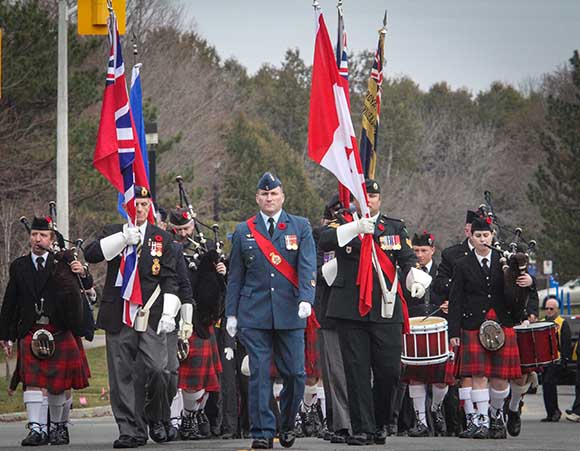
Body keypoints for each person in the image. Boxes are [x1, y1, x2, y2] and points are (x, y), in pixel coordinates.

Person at [319, 179, 429, 446]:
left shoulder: (393, 226)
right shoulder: (343, 220)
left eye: (372, 195)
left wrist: (415, 278)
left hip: (385, 307)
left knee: (389, 371)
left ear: (379, 199)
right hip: (350, 308)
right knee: (356, 371)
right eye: (363, 195)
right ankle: (361, 428)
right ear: (355, 198)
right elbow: (324, 240)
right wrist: (354, 227)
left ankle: (380, 422)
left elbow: (406, 257)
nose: (368, 199)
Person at [225, 172, 316, 449]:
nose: (269, 198)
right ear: (257, 198)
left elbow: (307, 265)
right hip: (254, 313)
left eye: (274, 193)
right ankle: (262, 432)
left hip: (290, 311)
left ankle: (287, 423)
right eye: (264, 194)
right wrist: (231, 313)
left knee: (296, 375)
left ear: (282, 197)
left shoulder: (299, 226)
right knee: (260, 374)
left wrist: (306, 298)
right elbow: (235, 276)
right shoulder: (244, 230)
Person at [84, 186, 180, 448]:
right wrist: (122, 240)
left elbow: (171, 279)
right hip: (120, 312)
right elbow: (91, 254)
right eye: (135, 204)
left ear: (150, 207)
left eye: (144, 204)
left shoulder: (162, 239)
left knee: (160, 371)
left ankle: (155, 415)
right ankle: (130, 430)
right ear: (126, 205)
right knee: (121, 375)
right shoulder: (113, 231)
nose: (139, 209)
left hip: (151, 313)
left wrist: (170, 311)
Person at [0, 216, 91, 446]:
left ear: (51, 239)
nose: (37, 239)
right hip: (31, 328)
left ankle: (58, 427)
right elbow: (10, 302)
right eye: (34, 235)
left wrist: (82, 272)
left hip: (58, 327)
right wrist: (5, 334)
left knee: (57, 383)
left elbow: (85, 287)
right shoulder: (19, 266)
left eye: (42, 235)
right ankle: (36, 429)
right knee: (32, 380)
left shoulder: (62, 262)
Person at [449, 216, 533, 439]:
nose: (482, 239)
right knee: (478, 374)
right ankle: (482, 422)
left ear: (492, 236)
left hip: (502, 322)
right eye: (478, 236)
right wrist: (453, 333)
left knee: (499, 379)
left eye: (486, 235)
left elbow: (521, 290)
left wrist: (529, 282)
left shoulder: (505, 261)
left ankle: (497, 416)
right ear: (471, 237)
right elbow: (455, 300)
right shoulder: (462, 264)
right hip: (473, 324)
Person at [168, 207, 226, 440]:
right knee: (180, 376)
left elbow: (218, 288)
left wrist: (222, 271)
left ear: (193, 224)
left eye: (187, 228)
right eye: (179, 229)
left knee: (200, 378)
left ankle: (194, 415)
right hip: (174, 317)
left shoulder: (206, 249)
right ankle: (182, 417)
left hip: (202, 320)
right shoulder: (167, 249)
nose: (184, 233)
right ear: (173, 229)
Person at [402, 231, 454, 438]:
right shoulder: (406, 272)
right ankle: (421, 422)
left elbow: (455, 293)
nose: (419, 255)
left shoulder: (443, 272)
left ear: (433, 250)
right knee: (416, 378)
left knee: (441, 379)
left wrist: (451, 304)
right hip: (414, 329)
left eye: (423, 250)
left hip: (439, 329)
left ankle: (436, 409)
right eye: (415, 250)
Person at [432, 210, 478, 437]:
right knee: (460, 375)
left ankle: (489, 418)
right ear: (467, 229)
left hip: (486, 322)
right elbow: (439, 284)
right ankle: (461, 421)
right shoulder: (452, 254)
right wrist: (450, 298)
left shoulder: (496, 256)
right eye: (473, 229)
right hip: (460, 320)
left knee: (487, 375)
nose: (478, 235)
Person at [315, 195, 351, 444]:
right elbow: (313, 269)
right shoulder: (321, 238)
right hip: (330, 312)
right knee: (335, 372)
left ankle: (365, 420)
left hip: (360, 312)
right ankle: (341, 423)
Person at [540, 296, 571, 422]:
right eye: (547, 308)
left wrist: (565, 360)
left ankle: (555, 411)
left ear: (557, 309)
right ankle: (550, 412)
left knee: (549, 383)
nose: (549, 311)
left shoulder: (562, 323)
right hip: (545, 360)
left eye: (551, 309)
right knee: (546, 386)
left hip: (556, 359)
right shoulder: (542, 322)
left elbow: (565, 343)